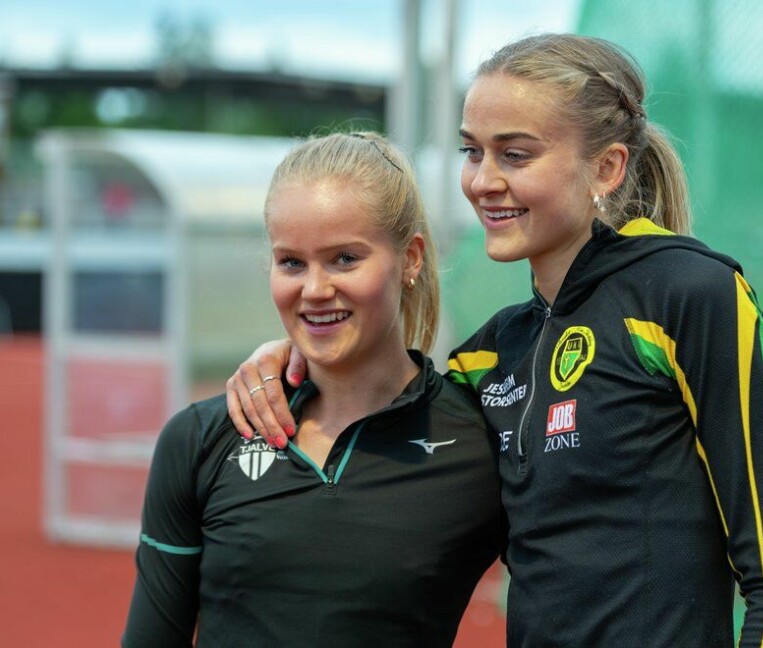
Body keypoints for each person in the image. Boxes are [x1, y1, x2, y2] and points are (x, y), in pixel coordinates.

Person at [227, 34, 763, 647]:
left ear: (607, 167)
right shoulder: (488, 357)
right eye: (471, 151)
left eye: (514, 155)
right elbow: (383, 412)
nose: (483, 181)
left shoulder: (691, 297)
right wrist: (290, 356)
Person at [122, 132, 503, 647]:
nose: (315, 290)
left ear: (411, 258)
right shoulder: (199, 439)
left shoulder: (481, 442)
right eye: (292, 262)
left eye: (345, 258)